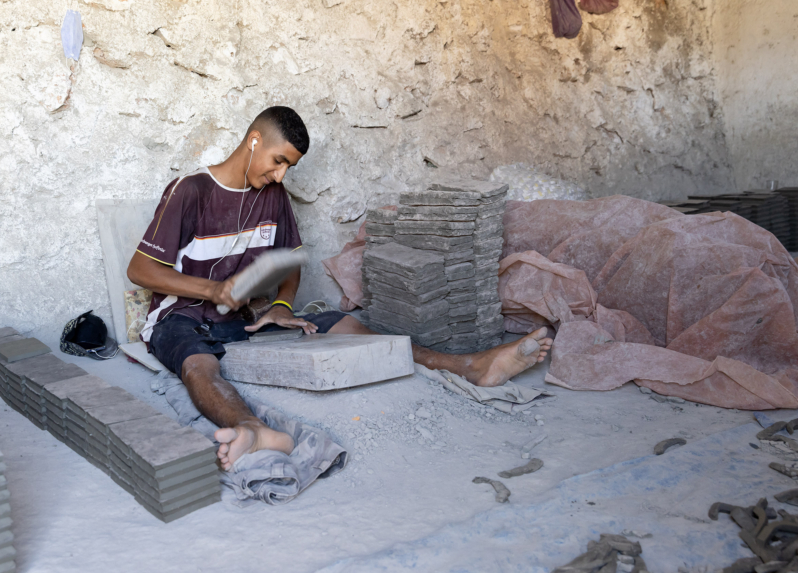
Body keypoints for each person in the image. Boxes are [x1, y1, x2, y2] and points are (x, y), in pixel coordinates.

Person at [127, 106, 552, 471]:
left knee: (345, 325)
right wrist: (213, 290)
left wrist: (278, 305)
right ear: (253, 141)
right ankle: (253, 431)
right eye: (278, 161)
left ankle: (469, 367)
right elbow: (140, 269)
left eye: (289, 167)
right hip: (178, 318)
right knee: (200, 368)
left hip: (241, 321)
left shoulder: (274, 197)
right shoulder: (192, 190)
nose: (281, 175)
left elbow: (292, 260)